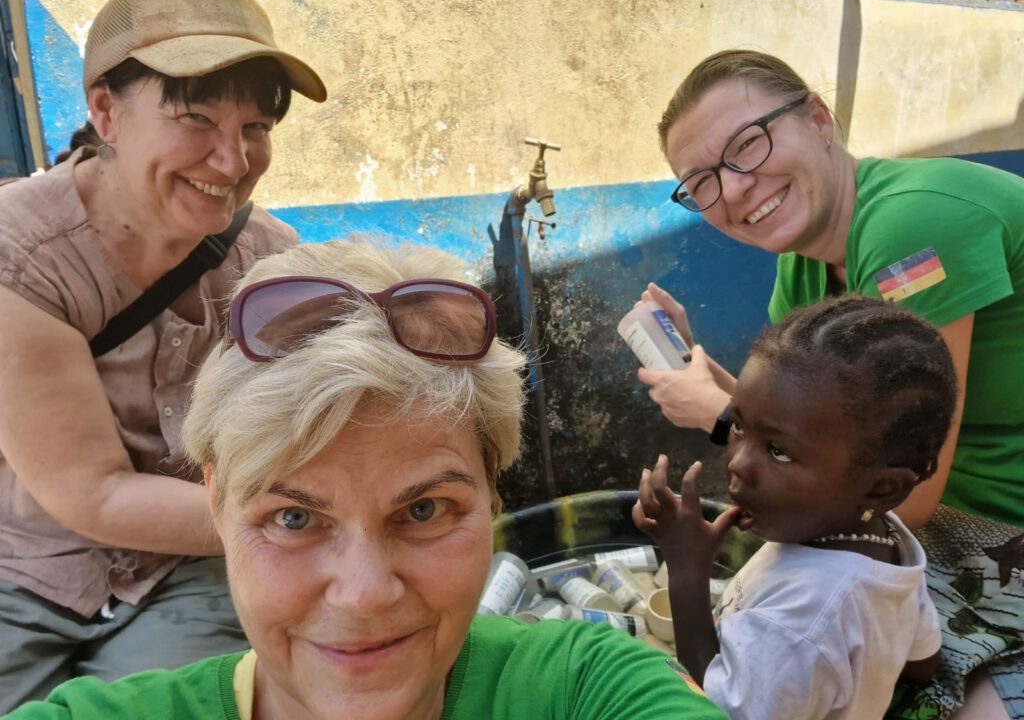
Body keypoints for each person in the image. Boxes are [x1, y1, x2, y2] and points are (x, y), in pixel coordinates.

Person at [5, 236, 730, 720]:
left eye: (423, 511)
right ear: (219, 507)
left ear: (490, 500)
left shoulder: (581, 690)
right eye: (293, 518)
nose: (363, 594)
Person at [637, 48, 1024, 719]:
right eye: (700, 181)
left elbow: (909, 494)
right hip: (926, 537)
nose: (731, 191)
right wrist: (699, 363)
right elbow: (804, 419)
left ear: (819, 118)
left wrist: (720, 418)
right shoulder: (804, 266)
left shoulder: (914, 226)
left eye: (748, 145)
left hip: (994, 532)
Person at [0, 0, 326, 710]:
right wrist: (310, 518)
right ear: (106, 112)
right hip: (24, 567)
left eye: (255, 128)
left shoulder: (269, 262)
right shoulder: (19, 257)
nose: (233, 162)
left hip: (189, 567)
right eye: (198, 120)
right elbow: (94, 494)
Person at [634, 295, 954, 719]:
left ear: (883, 487)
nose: (738, 463)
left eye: (779, 452)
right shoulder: (885, 539)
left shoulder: (799, 622)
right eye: (740, 427)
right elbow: (922, 662)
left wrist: (687, 570)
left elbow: (709, 710)